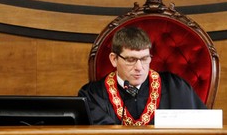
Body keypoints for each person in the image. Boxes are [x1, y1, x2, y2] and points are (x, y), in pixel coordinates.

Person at [78, 26, 207, 125]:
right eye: (131, 60)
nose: (139, 68)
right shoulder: (92, 95)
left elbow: (206, 126)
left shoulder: (176, 87)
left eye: (145, 58)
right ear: (114, 59)